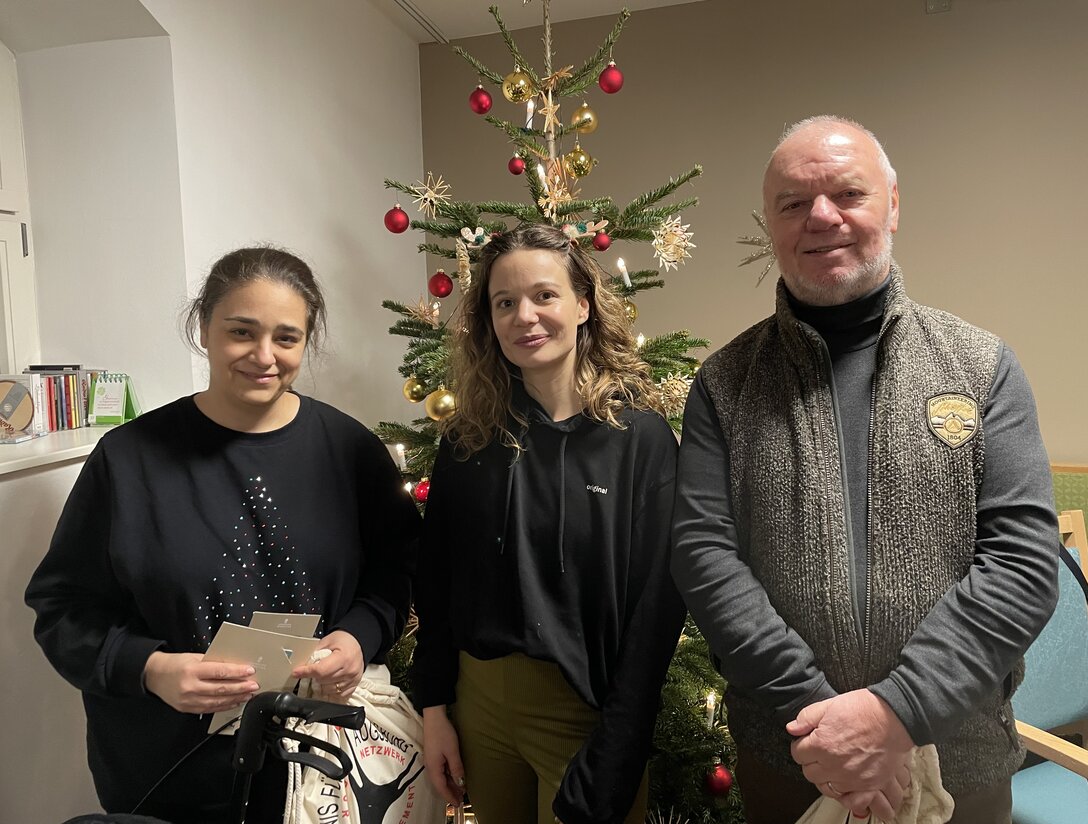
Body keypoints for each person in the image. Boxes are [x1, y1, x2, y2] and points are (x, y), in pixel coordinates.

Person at [671, 116, 1059, 824]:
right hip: (792, 758)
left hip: (961, 761)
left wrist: (895, 715)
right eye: (793, 202)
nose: (821, 216)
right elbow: (704, 559)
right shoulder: (724, 384)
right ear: (771, 224)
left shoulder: (982, 368)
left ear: (894, 204)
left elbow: (1023, 564)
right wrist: (825, 726)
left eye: (848, 193)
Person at [25, 247, 420, 823]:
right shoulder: (129, 459)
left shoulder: (350, 450)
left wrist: (358, 638)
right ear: (204, 328)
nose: (265, 356)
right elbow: (61, 609)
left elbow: (395, 572)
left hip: (323, 768)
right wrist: (151, 668)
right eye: (241, 332)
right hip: (168, 769)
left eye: (287, 338)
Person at [411, 223, 685, 824]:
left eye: (544, 295)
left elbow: (657, 610)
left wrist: (621, 742)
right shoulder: (469, 439)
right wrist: (434, 707)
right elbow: (435, 581)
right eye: (504, 303)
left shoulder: (640, 439)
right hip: (479, 702)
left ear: (583, 305)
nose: (524, 316)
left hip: (587, 708)